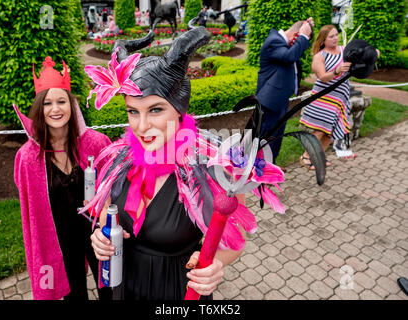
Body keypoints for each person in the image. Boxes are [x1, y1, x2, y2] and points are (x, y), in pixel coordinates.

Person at [83, 26, 285, 300]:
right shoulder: (118, 160)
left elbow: (235, 242)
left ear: (179, 110)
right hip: (122, 286)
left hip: (175, 290)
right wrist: (100, 238)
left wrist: (215, 264)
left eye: (155, 110)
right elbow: (104, 213)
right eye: (133, 111)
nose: (142, 126)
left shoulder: (214, 167)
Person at [13, 57, 112, 300]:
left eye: (61, 101)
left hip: (98, 234)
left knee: (111, 288)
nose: (55, 109)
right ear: (39, 109)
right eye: (47, 103)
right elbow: (29, 208)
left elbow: (114, 189)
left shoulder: (95, 144)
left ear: (72, 105)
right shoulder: (28, 157)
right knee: (74, 293)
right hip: (59, 239)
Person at [256, 18, 314, 164]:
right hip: (270, 100)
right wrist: (303, 36)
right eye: (300, 40)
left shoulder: (281, 43)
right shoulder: (274, 41)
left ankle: (269, 167)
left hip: (279, 99)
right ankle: (253, 169)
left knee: (276, 139)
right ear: (295, 35)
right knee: (265, 138)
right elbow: (290, 57)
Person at [299, 25, 352, 169]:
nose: (336, 38)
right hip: (324, 98)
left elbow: (360, 59)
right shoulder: (319, 56)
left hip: (341, 98)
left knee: (332, 131)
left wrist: (372, 53)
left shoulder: (344, 51)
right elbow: (322, 77)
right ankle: (306, 156)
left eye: (336, 35)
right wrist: (337, 70)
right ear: (323, 40)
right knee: (321, 130)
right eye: (331, 36)